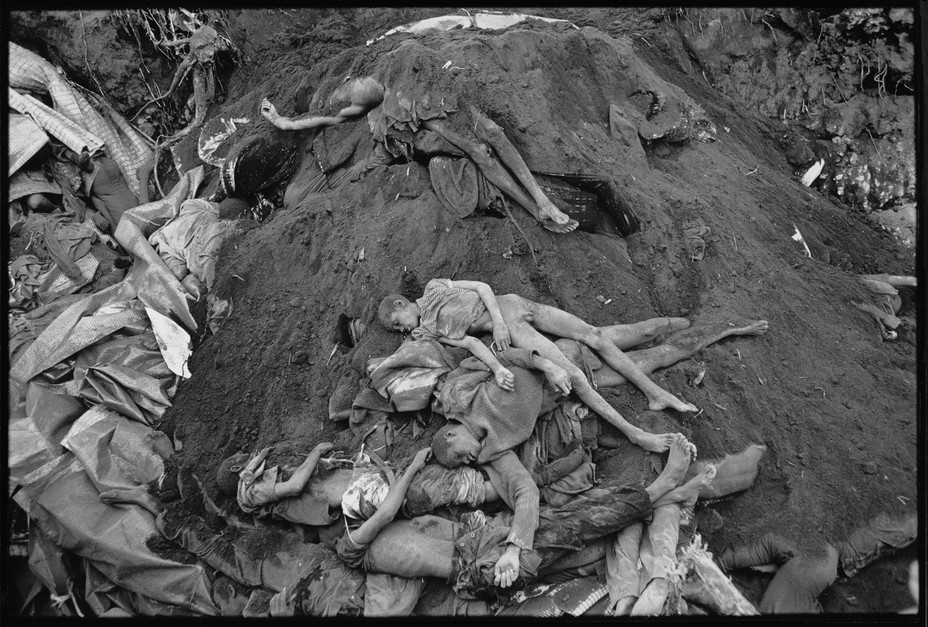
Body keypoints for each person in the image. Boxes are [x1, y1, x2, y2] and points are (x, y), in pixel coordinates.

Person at [264, 435, 715, 609]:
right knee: (574, 528)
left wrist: (385, 469)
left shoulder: (380, 523)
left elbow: (387, 503)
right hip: (478, 566)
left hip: (482, 536)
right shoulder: (353, 546)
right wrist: (411, 465)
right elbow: (383, 510)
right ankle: (661, 490)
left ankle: (659, 497)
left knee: (564, 518)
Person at [380, 278, 697, 454]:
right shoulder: (430, 331)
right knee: (575, 377)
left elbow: (482, 288)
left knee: (595, 335)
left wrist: (498, 322)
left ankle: (655, 393)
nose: (401, 330)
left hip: (513, 305)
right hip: (516, 330)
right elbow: (473, 344)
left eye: (397, 322)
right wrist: (498, 365)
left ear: (400, 304)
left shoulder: (435, 287)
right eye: (397, 330)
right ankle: (635, 433)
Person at [261, 77, 578, 233]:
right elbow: (333, 117)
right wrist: (283, 122)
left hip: (436, 103)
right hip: (408, 131)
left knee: (492, 133)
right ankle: (538, 208)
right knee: (481, 151)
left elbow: (335, 115)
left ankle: (541, 202)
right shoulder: (374, 104)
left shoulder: (388, 77)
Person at [216, 442, 336, 524]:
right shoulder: (251, 492)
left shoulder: (254, 469)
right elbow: (295, 486)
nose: (242, 453)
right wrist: (317, 451)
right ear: (236, 467)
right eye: (237, 456)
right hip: (322, 495)